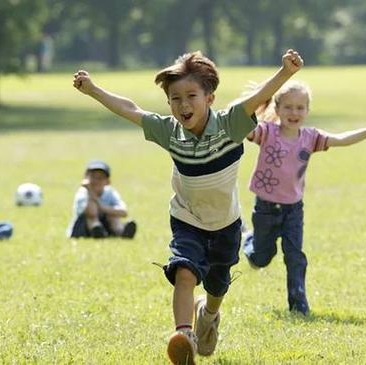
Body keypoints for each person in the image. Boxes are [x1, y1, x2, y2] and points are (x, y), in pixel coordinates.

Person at [73, 49, 303, 364]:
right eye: (175, 98)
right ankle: (185, 337)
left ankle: (207, 315)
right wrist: (94, 90)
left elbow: (258, 97)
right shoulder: (170, 132)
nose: (183, 105)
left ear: (209, 97)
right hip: (187, 218)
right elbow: (131, 109)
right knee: (184, 271)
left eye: (191, 95)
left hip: (225, 223)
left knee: (217, 285)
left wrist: (286, 73)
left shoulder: (231, 124)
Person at [242, 80, 366, 316]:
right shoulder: (267, 132)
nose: (294, 112)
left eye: (300, 107)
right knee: (261, 258)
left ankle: (298, 305)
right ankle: (248, 240)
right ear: (277, 109)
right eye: (288, 107)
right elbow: (242, 125)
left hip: (293, 210)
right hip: (266, 208)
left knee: (295, 256)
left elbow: (341, 139)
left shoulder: (310, 137)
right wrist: (255, 100)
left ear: (308, 111)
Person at [67, 160, 137, 239]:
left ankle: (121, 231)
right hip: (82, 229)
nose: (96, 181)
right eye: (93, 177)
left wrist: (102, 207)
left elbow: (124, 212)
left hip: (104, 223)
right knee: (92, 216)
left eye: (100, 178)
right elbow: (91, 212)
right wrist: (90, 191)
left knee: (113, 216)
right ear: (85, 178)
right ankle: (97, 230)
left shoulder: (110, 192)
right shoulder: (82, 193)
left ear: (108, 181)